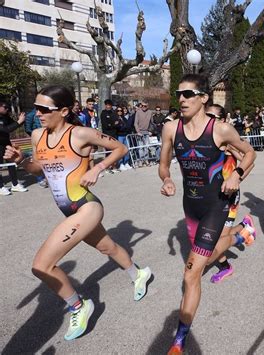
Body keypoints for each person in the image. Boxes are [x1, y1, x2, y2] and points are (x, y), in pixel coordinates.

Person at [3, 85, 152, 341]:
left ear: (63, 111)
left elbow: (121, 148)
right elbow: (40, 170)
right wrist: (22, 161)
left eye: (43, 109)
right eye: (35, 108)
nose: (37, 114)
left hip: (86, 206)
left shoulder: (81, 134)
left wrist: (98, 168)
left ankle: (78, 306)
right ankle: (139, 273)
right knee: (107, 248)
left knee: (42, 265)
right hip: (67, 208)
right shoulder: (38, 135)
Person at [159, 74, 256, 354]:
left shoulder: (221, 130)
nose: (182, 99)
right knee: (199, 264)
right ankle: (241, 235)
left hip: (216, 204)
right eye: (179, 93)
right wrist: (166, 180)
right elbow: (163, 165)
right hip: (190, 207)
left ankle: (179, 340)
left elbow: (249, 153)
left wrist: (237, 173)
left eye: (189, 94)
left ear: (204, 98)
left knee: (190, 274)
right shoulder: (170, 129)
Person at [205, 103, 256, 283]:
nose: (208, 121)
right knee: (217, 237)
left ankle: (227, 264)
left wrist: (237, 179)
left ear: (223, 120)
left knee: (219, 239)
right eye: (206, 116)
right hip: (209, 196)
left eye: (213, 117)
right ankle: (245, 228)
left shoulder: (229, 141)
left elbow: (249, 161)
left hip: (228, 197)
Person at [0, 102, 28, 195]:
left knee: (11, 163)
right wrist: (19, 122)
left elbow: (14, 125)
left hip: (6, 144)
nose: (7, 109)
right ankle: (1, 187)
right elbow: (5, 129)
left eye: (8, 107)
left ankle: (15, 185)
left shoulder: (5, 116)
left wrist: (22, 119)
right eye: (5, 107)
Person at [25, 110, 48, 188]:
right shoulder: (31, 114)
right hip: (38, 138)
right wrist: (36, 135)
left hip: (48, 137)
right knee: (39, 158)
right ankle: (40, 179)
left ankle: (47, 177)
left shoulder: (46, 112)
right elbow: (28, 128)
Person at [100, 99, 121, 173]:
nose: (108, 106)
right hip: (107, 135)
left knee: (114, 151)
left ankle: (114, 166)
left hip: (114, 134)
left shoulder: (114, 113)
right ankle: (107, 167)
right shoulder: (103, 113)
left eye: (109, 105)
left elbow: (118, 122)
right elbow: (106, 125)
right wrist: (113, 124)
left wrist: (114, 124)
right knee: (108, 152)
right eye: (106, 105)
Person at [115, 106, 133, 171]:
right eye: (118, 111)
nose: (119, 112)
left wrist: (122, 126)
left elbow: (127, 126)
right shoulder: (115, 118)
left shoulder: (124, 118)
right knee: (120, 150)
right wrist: (122, 127)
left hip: (126, 135)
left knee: (127, 149)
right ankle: (121, 163)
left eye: (121, 111)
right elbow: (117, 127)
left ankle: (126, 162)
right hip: (119, 136)